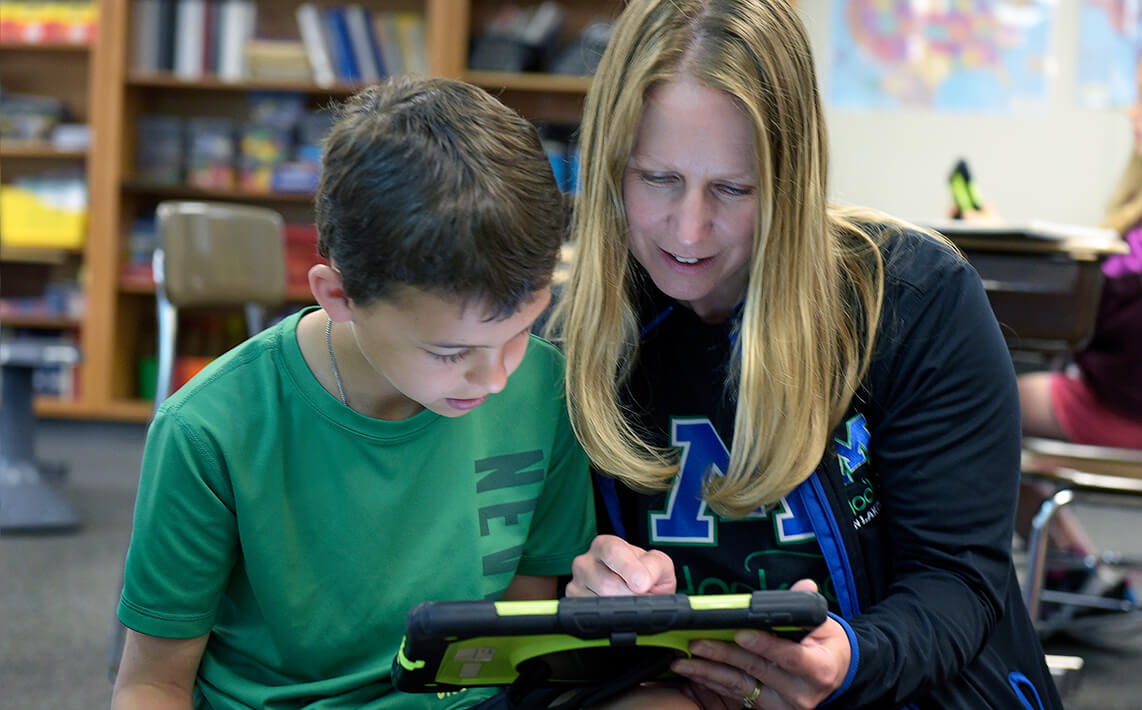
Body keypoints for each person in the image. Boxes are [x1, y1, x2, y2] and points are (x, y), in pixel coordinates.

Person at [546, 1, 1062, 708]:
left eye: (733, 189)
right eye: (656, 179)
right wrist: (591, 596)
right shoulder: (566, 333)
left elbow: (957, 584)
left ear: (792, 180)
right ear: (608, 164)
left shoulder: (914, 300)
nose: (689, 229)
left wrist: (853, 658)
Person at [111, 77, 595, 709]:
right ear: (337, 297)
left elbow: (519, 635)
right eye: (449, 352)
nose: (497, 377)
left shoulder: (543, 387)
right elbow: (152, 682)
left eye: (519, 332)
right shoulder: (208, 430)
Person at [1012, 64, 1142, 622]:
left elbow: (1118, 334)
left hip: (1123, 408)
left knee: (967, 410)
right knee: (981, 401)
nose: (1131, 114)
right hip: (1113, 395)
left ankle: (1070, 564)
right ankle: (1074, 566)